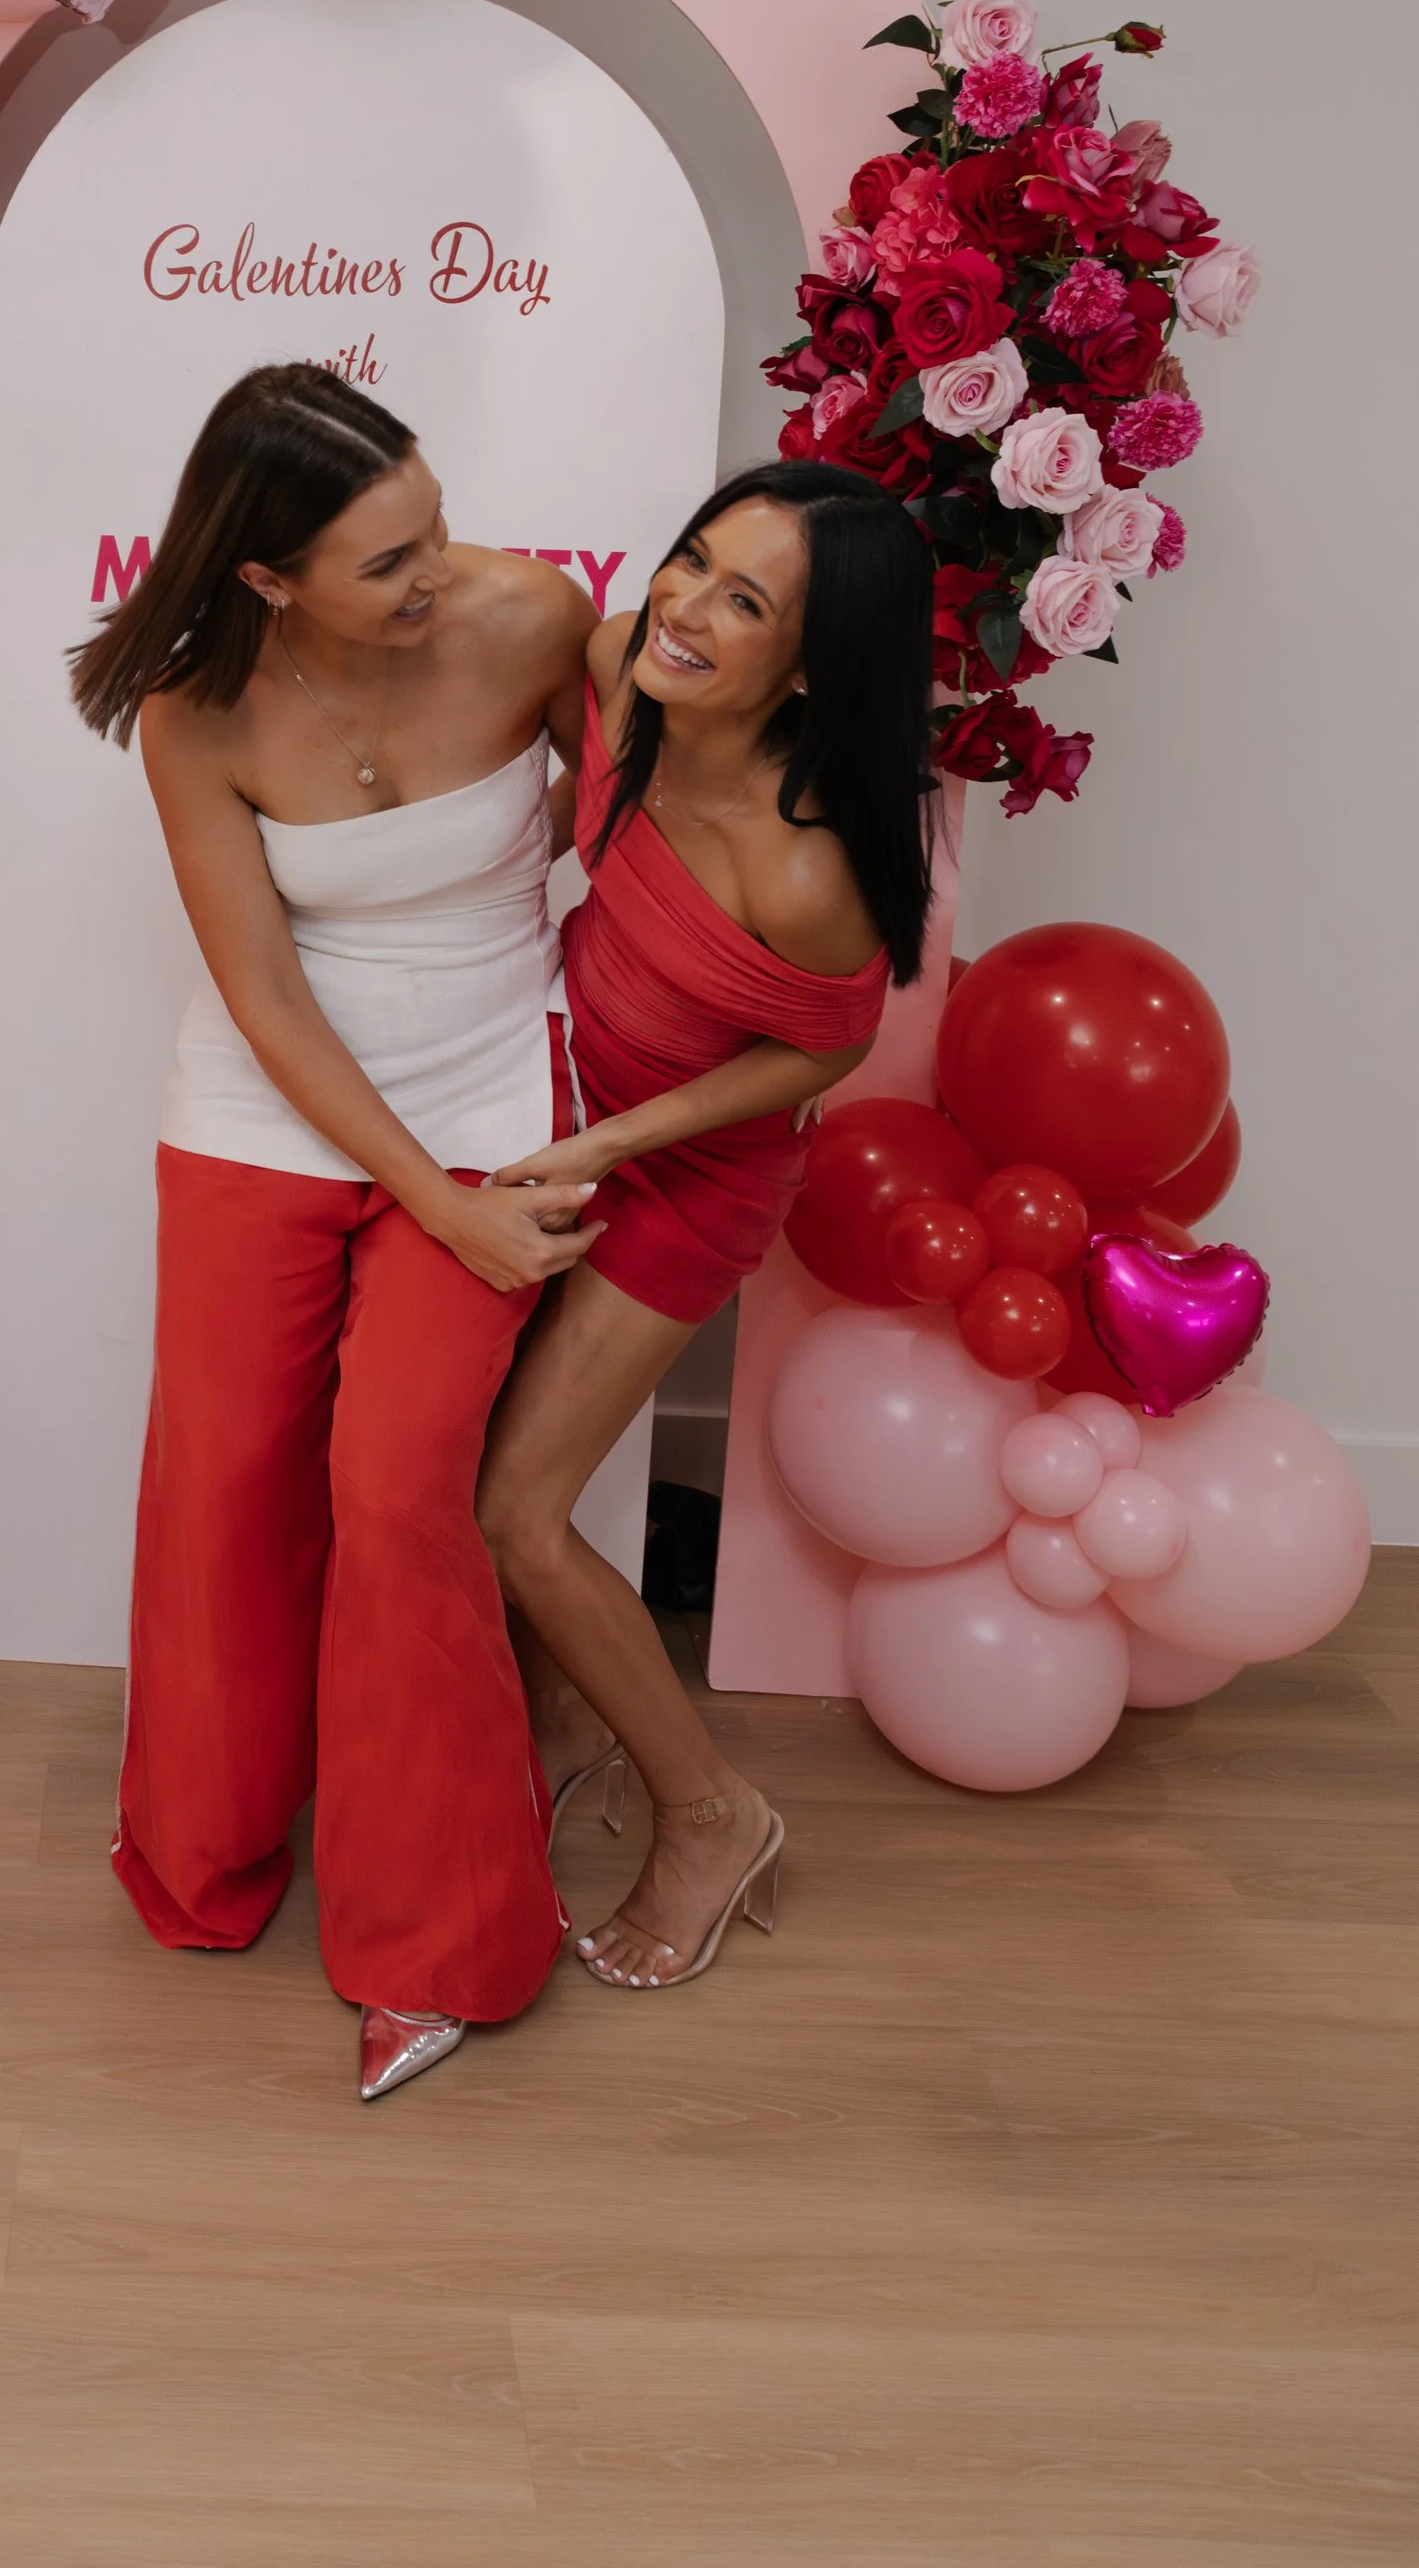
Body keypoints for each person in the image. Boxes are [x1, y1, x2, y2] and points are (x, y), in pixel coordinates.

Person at [70, 362, 595, 2102]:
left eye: (435, 527)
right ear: (267, 576)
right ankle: (202, 1853)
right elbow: (267, 997)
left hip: (493, 1102)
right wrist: (433, 1198)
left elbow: (661, 826)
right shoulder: (194, 713)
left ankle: (437, 1938)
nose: (438, 571)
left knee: (397, 1492)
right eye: (388, 560)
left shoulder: (535, 620)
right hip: (266, 1104)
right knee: (223, 1482)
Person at [477, 462, 935, 1990]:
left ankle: (711, 1809)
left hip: (687, 1178)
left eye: (742, 602)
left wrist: (612, 1143)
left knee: (515, 1510)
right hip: (557, 1105)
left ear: (809, 665)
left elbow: (824, 1051)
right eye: (691, 559)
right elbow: (573, 803)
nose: (680, 603)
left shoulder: (806, 862)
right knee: (457, 1453)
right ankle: (561, 1727)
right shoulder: (621, 659)